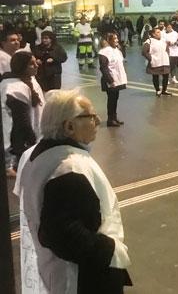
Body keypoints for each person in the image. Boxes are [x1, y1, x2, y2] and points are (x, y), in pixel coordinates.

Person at [14, 89, 132, 294]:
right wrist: (110, 250)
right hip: (82, 279)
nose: (98, 121)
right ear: (69, 126)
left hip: (58, 272)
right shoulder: (68, 167)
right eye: (91, 117)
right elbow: (62, 234)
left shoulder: (40, 156)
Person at [0, 51, 44, 173]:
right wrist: (33, 140)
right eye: (32, 64)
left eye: (36, 62)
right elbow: (22, 122)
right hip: (20, 144)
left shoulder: (29, 79)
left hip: (30, 138)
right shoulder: (13, 88)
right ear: (21, 67)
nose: (36, 65)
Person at [99, 33, 128, 127]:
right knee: (111, 100)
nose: (116, 40)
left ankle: (114, 118)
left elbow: (122, 58)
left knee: (115, 99)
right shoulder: (104, 52)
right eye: (114, 39)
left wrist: (121, 47)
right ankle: (110, 120)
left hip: (118, 79)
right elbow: (103, 68)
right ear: (109, 41)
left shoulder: (117, 50)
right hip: (110, 80)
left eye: (117, 38)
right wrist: (110, 81)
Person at [142, 28, 172, 96]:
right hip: (155, 61)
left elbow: (167, 49)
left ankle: (164, 90)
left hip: (164, 61)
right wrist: (151, 58)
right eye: (158, 32)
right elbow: (144, 52)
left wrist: (167, 55)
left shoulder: (163, 40)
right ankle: (157, 90)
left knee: (166, 76)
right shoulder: (149, 41)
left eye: (160, 32)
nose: (160, 33)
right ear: (153, 34)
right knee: (155, 76)